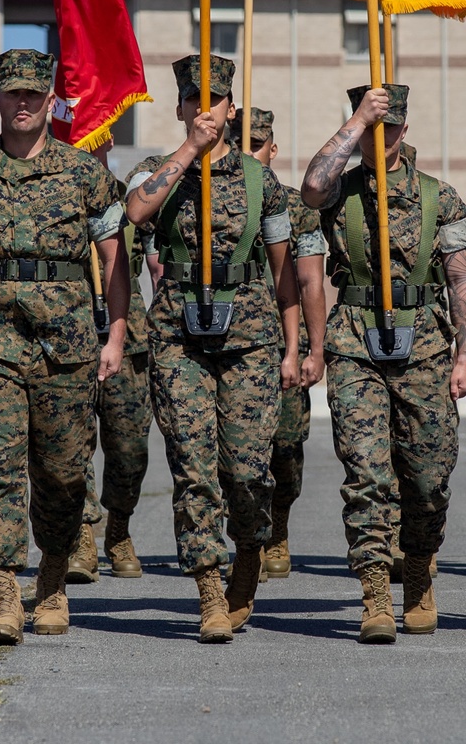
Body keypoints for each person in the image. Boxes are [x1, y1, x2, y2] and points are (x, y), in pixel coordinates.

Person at [0, 48, 129, 645]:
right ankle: (3, 594)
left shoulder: (85, 173)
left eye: (32, 95)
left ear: (50, 101)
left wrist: (114, 336)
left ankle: (52, 580)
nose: (21, 104)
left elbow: (115, 265)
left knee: (64, 473)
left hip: (66, 345)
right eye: (11, 93)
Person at [124, 56, 301, 643]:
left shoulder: (260, 181)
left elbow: (285, 277)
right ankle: (208, 589)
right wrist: (187, 154)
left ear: (231, 108)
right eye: (193, 100)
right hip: (177, 337)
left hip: (249, 338)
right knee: (194, 470)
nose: (205, 109)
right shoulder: (159, 170)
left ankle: (248, 552)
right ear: (180, 109)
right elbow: (136, 211)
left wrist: (293, 348)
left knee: (246, 471)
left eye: (216, 100)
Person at [303, 84, 466, 644]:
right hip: (354, 345)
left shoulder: (440, 198)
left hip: (424, 346)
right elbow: (310, 187)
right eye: (374, 129)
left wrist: (465, 354)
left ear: (406, 129)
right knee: (367, 472)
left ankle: (419, 566)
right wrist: (357, 122)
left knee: (427, 480)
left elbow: (460, 281)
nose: (384, 139)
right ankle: (375, 591)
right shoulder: (341, 192)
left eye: (391, 128)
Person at [229, 106, 327, 579]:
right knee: (235, 451)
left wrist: (313, 348)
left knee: (286, 447)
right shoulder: (213, 198)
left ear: (273, 149)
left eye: (257, 145)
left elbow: (310, 284)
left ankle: (279, 526)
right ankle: (248, 535)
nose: (250, 153)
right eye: (241, 143)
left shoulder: (298, 209)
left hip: (281, 346)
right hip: (232, 342)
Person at [67, 154, 154, 584]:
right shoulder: (58, 192)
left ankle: (118, 527)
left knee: (129, 448)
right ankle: (82, 534)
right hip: (70, 329)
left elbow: (157, 261)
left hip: (129, 332)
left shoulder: (131, 201)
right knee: (72, 442)